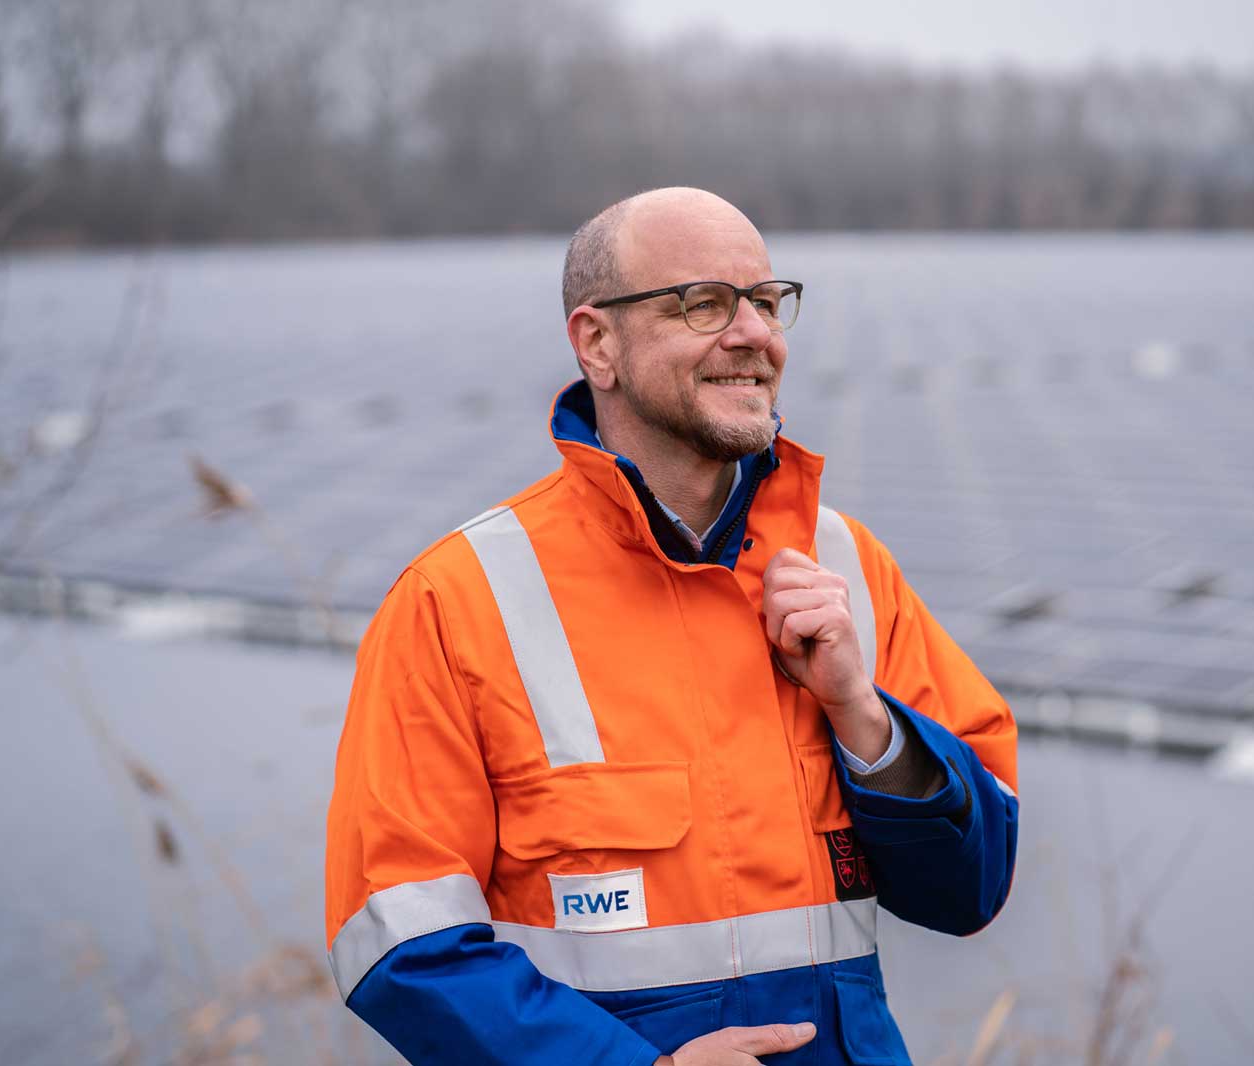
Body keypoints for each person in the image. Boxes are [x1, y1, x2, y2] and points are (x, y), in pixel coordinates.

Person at [324, 187, 1019, 1066]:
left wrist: (862, 715)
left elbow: (974, 888)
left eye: (767, 303)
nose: (754, 334)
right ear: (597, 343)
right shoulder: (455, 600)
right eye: (703, 303)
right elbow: (396, 943)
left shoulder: (847, 566)